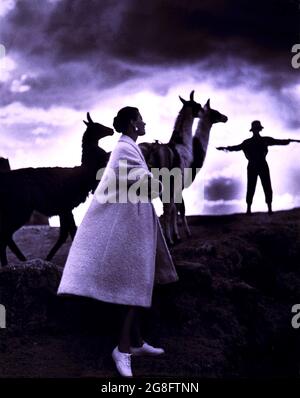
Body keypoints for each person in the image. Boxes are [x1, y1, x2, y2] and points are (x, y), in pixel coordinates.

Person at [57, 106, 178, 377]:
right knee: (134, 287)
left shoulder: (128, 147)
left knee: (137, 284)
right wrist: (160, 185)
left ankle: (135, 342)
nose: (145, 122)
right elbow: (145, 183)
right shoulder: (124, 149)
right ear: (133, 124)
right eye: (141, 119)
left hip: (132, 225)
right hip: (127, 228)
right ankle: (122, 349)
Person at [217, 120, 300, 215]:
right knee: (251, 187)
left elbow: (278, 141)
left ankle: (269, 209)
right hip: (252, 165)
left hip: (262, 164)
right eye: (255, 129)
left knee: (267, 186)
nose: (256, 130)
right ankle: (249, 209)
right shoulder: (248, 142)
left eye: (257, 129)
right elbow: (236, 148)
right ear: (253, 130)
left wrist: (288, 141)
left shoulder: (264, 140)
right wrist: (225, 148)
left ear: (259, 130)